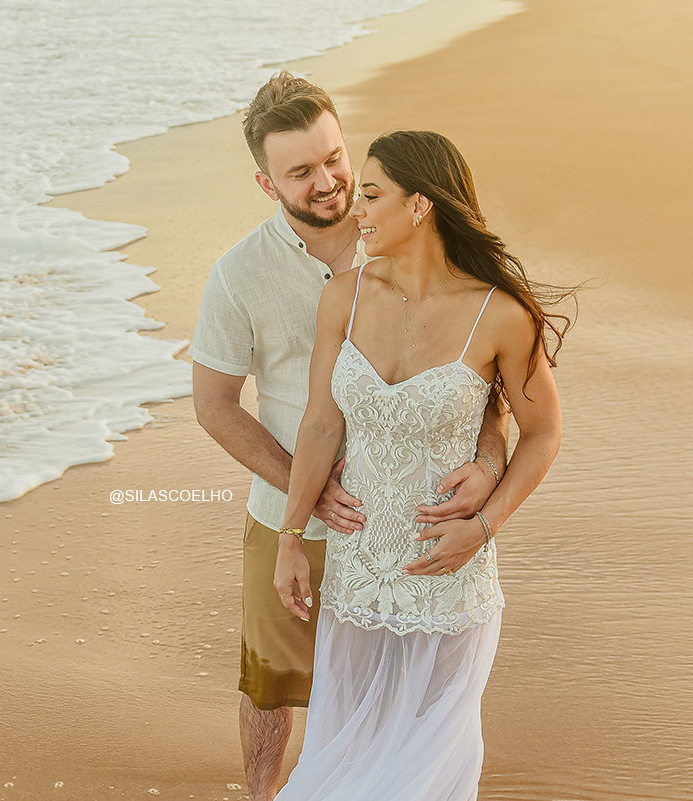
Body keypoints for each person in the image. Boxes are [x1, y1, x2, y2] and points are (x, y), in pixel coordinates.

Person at [190, 72, 508, 801]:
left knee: (415, 690)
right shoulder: (238, 276)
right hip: (290, 512)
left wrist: (490, 463)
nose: (329, 180)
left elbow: (488, 379)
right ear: (266, 183)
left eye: (334, 157)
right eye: (300, 171)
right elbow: (213, 404)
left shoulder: (415, 238)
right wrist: (304, 491)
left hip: (414, 516)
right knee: (272, 684)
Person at [272, 129, 568, 800]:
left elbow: (544, 433)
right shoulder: (342, 297)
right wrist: (292, 536)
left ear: (421, 205)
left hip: (448, 576)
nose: (358, 212)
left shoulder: (500, 313)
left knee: (422, 775)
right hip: (357, 572)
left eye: (372, 195)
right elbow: (321, 421)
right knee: (343, 756)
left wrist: (485, 525)